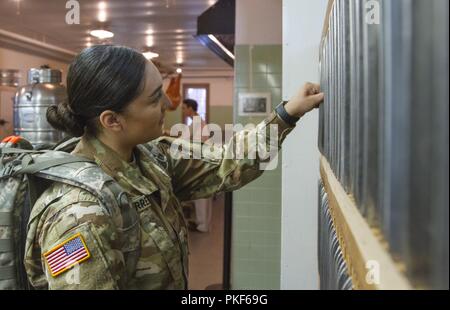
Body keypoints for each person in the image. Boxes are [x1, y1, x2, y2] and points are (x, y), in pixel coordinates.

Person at [24, 45, 324, 290]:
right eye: (155, 98)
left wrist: (287, 114)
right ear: (112, 120)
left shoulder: (151, 157)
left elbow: (229, 163)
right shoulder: (80, 216)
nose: (168, 103)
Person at [181, 98, 213, 233]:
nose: (182, 110)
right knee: (202, 195)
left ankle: (203, 225)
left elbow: (192, 143)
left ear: (190, 108)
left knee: (201, 196)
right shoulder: (196, 122)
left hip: (201, 161)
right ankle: (202, 223)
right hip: (201, 161)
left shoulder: (197, 123)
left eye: (183, 107)